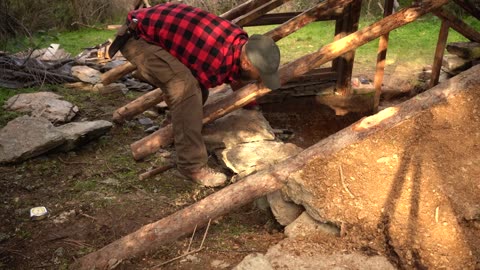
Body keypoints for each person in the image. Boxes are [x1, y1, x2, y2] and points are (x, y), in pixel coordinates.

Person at [112, 3, 281, 187]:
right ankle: (191, 166)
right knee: (186, 89)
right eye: (261, 74)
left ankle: (175, 129)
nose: (261, 78)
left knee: (196, 93)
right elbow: (191, 89)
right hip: (137, 39)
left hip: (148, 30)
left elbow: (234, 73)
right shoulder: (216, 58)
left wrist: (249, 104)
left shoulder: (239, 42)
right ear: (248, 63)